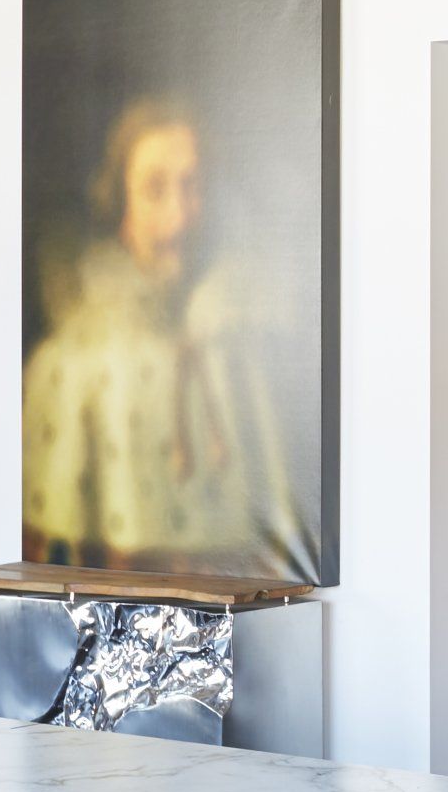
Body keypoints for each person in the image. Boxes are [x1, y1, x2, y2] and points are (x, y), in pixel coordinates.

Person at [22, 98, 300, 572]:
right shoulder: (70, 359)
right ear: (119, 203)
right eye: (154, 189)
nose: (179, 214)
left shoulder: (241, 341)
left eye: (192, 187)